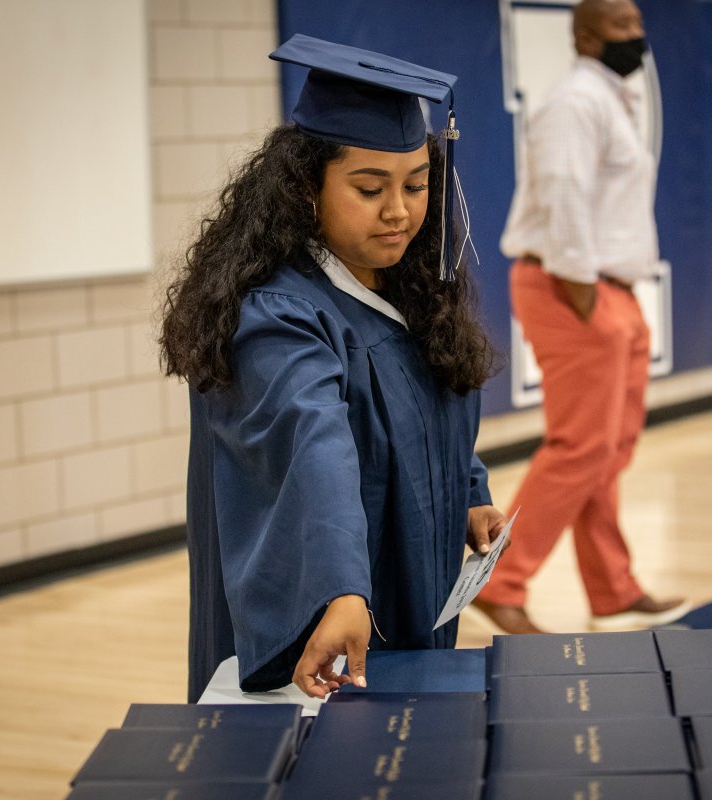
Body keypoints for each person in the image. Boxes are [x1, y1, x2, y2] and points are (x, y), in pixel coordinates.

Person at [159, 34, 506, 701]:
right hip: (316, 636)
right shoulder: (276, 318)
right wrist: (340, 586)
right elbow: (313, 446)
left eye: (416, 184)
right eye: (369, 188)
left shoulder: (400, 287)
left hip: (405, 606)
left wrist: (470, 496)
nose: (399, 211)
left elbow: (422, 414)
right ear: (304, 190)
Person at [471, 0, 689, 635]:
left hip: (610, 285)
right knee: (581, 445)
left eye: (640, 26)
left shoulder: (612, 97)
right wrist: (583, 289)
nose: (637, 37)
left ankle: (612, 587)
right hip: (572, 283)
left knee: (611, 446)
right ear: (586, 35)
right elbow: (564, 195)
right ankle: (502, 579)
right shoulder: (573, 101)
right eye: (623, 28)